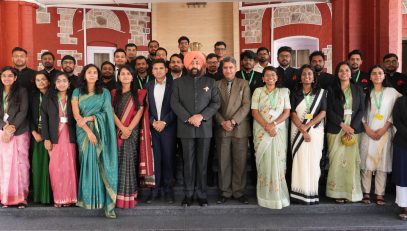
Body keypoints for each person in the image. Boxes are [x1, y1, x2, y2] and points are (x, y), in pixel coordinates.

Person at [171, 51, 220, 207]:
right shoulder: (178, 83)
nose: (194, 65)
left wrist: (201, 116)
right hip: (185, 128)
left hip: (204, 129)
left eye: (197, 63)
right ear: (187, 65)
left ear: (202, 65)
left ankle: (202, 195)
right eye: (191, 63)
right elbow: (174, 103)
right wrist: (189, 117)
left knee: (203, 163)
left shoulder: (210, 82)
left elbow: (215, 103)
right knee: (188, 163)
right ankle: (188, 194)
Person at [72, 64, 118, 218]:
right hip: (84, 132)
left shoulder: (104, 93)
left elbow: (106, 113)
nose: (92, 75)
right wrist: (89, 132)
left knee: (100, 164)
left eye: (94, 73)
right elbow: (76, 116)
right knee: (88, 163)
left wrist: (91, 119)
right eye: (89, 72)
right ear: (84, 75)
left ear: (98, 76)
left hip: (101, 131)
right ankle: (89, 199)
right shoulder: (77, 92)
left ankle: (102, 200)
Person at [360, 65, 401, 205]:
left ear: (384, 76)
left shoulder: (392, 92)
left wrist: (385, 127)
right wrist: (367, 129)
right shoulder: (365, 92)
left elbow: (398, 110)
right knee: (366, 162)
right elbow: (360, 113)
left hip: (384, 132)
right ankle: (366, 192)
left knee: (382, 164)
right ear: (370, 76)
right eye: (374, 73)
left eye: (380, 73)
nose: (377, 75)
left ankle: (379, 193)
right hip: (368, 132)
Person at [251, 66, 291, 209]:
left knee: (279, 162)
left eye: (273, 75)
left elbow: (287, 112)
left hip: (278, 131)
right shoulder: (258, 91)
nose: (270, 78)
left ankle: (279, 196)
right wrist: (267, 126)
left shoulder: (284, 91)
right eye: (267, 75)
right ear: (262, 78)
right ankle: (265, 196)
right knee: (264, 163)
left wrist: (273, 124)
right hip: (262, 131)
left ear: (277, 77)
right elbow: (254, 111)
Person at [325, 62, 364, 203]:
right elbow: (328, 110)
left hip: (353, 130)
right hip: (336, 129)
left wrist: (351, 127)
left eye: (346, 70)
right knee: (336, 161)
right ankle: (336, 192)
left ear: (350, 73)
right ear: (337, 73)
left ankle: (351, 192)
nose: (344, 73)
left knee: (351, 162)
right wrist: (343, 125)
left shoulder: (358, 89)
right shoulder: (331, 89)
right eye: (341, 70)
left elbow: (361, 110)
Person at [215, 56, 251, 204]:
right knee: (223, 161)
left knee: (240, 162)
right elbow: (213, 106)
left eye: (231, 67)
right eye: (225, 68)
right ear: (221, 69)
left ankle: (239, 192)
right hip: (222, 127)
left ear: (236, 68)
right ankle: (225, 191)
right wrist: (222, 121)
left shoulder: (244, 83)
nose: (228, 70)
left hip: (239, 128)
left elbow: (246, 105)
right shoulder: (216, 84)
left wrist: (233, 121)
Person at [290, 65, 327, 205]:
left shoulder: (322, 93)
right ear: (300, 77)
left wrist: (308, 126)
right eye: (304, 74)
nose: (307, 76)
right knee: (300, 161)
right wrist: (302, 128)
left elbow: (323, 112)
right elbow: (292, 113)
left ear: (314, 77)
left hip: (315, 131)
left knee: (313, 161)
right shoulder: (294, 93)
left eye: (310, 74)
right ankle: (299, 193)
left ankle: (312, 193)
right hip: (297, 131)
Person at [42, 72, 77, 208]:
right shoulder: (49, 98)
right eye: (58, 81)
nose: (61, 83)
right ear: (55, 85)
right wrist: (46, 138)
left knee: (69, 166)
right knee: (55, 167)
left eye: (64, 80)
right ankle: (59, 198)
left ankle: (70, 197)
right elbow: (44, 118)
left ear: (68, 84)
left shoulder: (74, 97)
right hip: (54, 136)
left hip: (70, 135)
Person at [111, 65, 144, 209]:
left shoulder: (140, 93)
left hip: (132, 133)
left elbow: (140, 112)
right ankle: (116, 196)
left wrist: (128, 129)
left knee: (129, 164)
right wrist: (122, 128)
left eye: (128, 74)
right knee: (117, 163)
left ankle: (128, 197)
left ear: (132, 76)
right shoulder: (113, 93)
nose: (125, 76)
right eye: (122, 74)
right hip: (117, 131)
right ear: (118, 77)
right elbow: (111, 112)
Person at [147, 59, 177, 204]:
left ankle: (168, 191)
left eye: (161, 68)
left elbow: (176, 107)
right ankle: (155, 190)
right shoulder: (148, 86)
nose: (158, 71)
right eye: (155, 68)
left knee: (168, 160)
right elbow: (146, 108)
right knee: (155, 160)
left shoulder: (174, 86)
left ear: (166, 70)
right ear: (152, 71)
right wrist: (153, 122)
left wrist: (164, 122)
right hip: (153, 128)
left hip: (168, 128)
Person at [0, 66, 30, 208]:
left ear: (15, 77)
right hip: (1, 131)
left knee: (21, 164)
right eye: (4, 75)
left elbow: (23, 111)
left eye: (10, 76)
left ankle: (21, 197)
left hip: (19, 132)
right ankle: (6, 196)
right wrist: (4, 127)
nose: (7, 78)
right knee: (4, 165)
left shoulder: (22, 91)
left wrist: (11, 128)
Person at [29, 71, 52, 204]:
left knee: (51, 166)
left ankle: (50, 196)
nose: (41, 82)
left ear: (48, 81)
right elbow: (29, 116)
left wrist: (47, 135)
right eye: (38, 80)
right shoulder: (33, 96)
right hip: (36, 135)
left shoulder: (54, 95)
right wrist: (34, 132)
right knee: (38, 165)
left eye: (43, 79)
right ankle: (39, 197)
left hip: (52, 134)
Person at [392, 95, 407, 220]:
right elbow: (396, 121)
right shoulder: (401, 101)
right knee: (402, 174)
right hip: (402, 142)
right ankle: (404, 206)